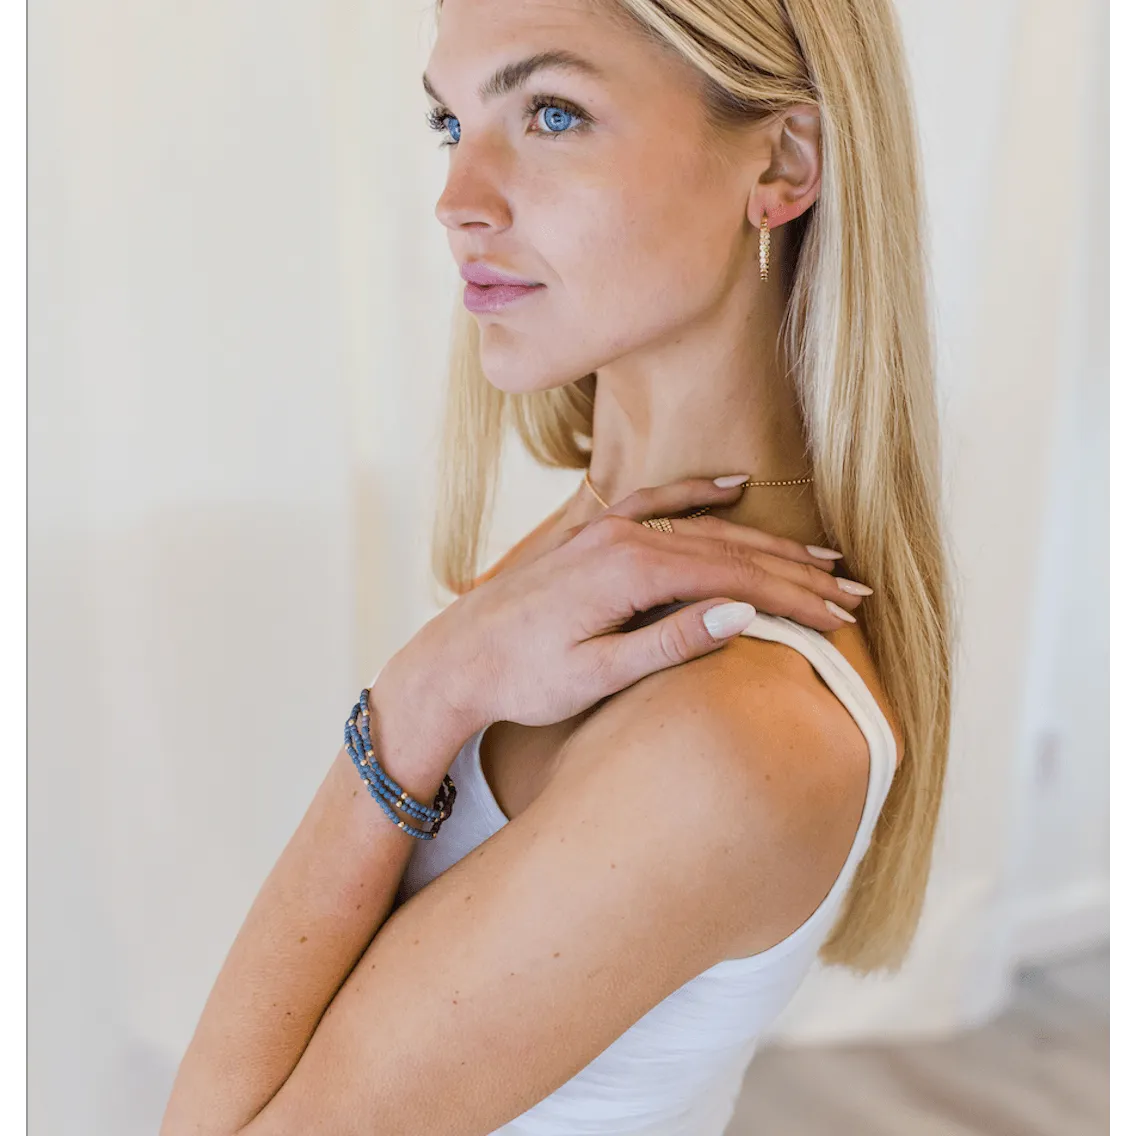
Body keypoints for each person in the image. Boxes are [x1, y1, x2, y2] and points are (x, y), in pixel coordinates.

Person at [161, 0, 952, 1132]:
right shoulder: (596, 556)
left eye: (550, 112)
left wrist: (423, 691)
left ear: (780, 163)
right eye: (451, 122)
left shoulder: (732, 735)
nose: (456, 201)